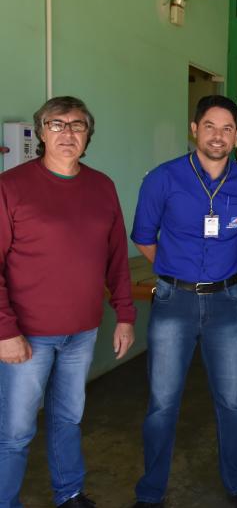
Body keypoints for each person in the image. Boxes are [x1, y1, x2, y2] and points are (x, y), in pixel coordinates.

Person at [0, 96, 137, 508]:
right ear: (42, 133)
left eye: (77, 126)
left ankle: (69, 493)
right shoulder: (11, 186)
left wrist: (125, 315)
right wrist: (4, 331)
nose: (67, 133)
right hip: (27, 335)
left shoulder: (102, 186)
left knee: (68, 419)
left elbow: (117, 257)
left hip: (82, 331)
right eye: (56, 125)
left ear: (88, 136)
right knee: (16, 431)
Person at [130, 95, 237, 508]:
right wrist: (177, 268)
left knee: (231, 402)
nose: (218, 136)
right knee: (162, 404)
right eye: (210, 126)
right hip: (174, 302)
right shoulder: (163, 178)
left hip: (226, 303)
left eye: (227, 128)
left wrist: (224, 272)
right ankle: (151, 491)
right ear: (194, 129)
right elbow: (144, 238)